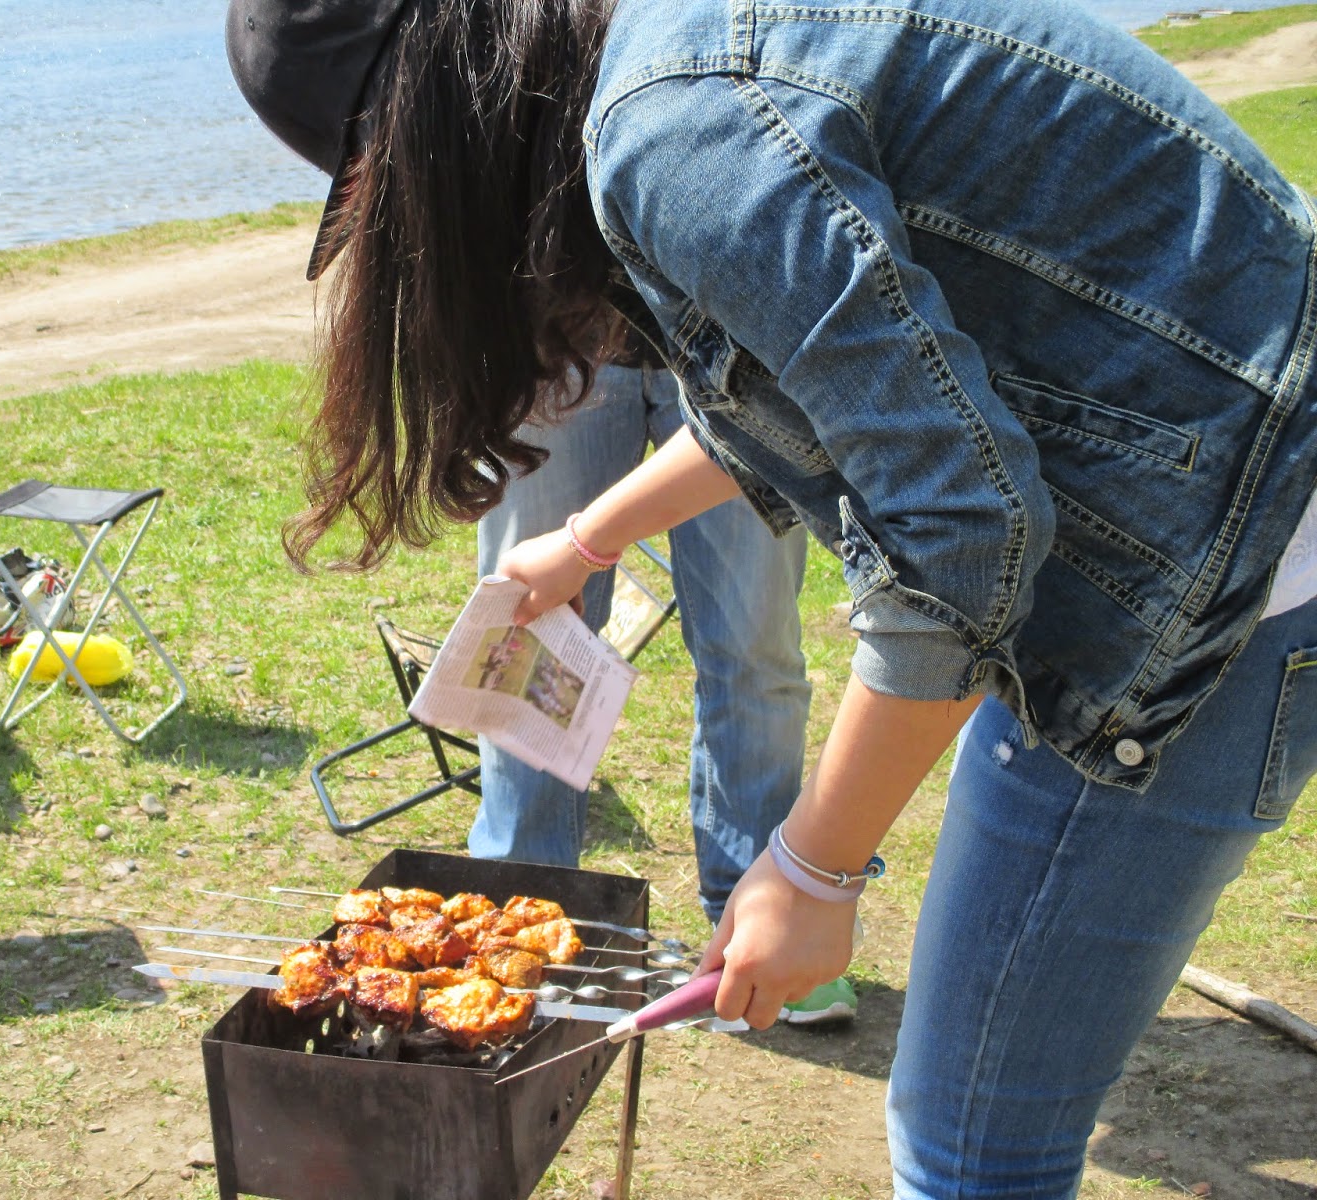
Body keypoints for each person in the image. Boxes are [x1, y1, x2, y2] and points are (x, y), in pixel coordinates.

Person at [227, 0, 1317, 1194]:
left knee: (969, 1142)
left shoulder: (671, 129)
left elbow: (956, 522)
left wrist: (812, 868)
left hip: (1221, 562)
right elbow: (822, 375)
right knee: (960, 1118)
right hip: (1203, 504)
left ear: (437, 122)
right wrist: (587, 543)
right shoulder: (672, 66)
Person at [470, 359, 854, 1021]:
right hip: (554, 336)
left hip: (735, 352)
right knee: (527, 630)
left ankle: (762, 935)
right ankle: (519, 906)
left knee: (754, 651)